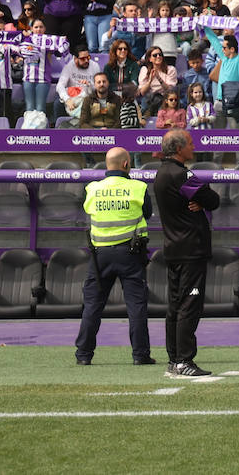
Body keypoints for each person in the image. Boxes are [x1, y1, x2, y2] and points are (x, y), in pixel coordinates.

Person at [74, 146, 154, 367]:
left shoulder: (92, 188)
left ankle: (83, 355)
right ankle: (140, 355)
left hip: (100, 256)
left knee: (92, 306)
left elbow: (89, 211)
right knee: (136, 306)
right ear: (127, 164)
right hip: (130, 253)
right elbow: (147, 213)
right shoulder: (138, 187)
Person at [151, 129, 221, 378]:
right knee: (190, 305)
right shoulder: (181, 175)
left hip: (173, 248)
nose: (194, 147)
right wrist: (202, 199)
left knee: (175, 305)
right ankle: (184, 360)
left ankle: (174, 359)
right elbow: (213, 199)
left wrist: (199, 199)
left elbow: (201, 198)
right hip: (191, 249)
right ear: (179, 148)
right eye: (190, 143)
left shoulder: (161, 173)